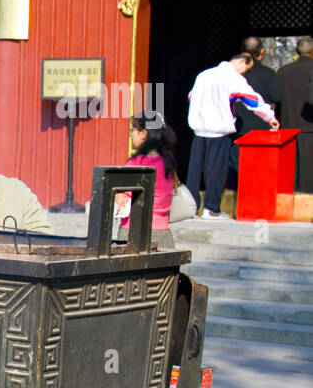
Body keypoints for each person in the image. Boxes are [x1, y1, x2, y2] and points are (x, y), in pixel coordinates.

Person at [185, 53, 277, 219]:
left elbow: (191, 96)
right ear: (243, 61)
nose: (244, 73)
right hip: (219, 128)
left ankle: (190, 208)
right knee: (216, 170)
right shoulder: (233, 78)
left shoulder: (203, 75)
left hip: (199, 129)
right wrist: (269, 117)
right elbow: (252, 100)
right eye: (245, 69)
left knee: (194, 171)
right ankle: (211, 208)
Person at [117, 111, 177, 249]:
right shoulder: (168, 162)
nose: (130, 134)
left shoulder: (136, 162)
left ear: (143, 134)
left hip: (133, 231)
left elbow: (121, 194)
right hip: (162, 232)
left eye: (133, 130)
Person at [276, 36, 313, 192]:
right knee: (308, 167)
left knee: (289, 166)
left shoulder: (283, 71)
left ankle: (288, 197)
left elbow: (277, 98)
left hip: (288, 123)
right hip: (309, 124)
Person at [234, 37, 282, 138]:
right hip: (261, 125)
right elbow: (276, 97)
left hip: (237, 125)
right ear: (262, 51)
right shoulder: (268, 73)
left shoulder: (234, 74)